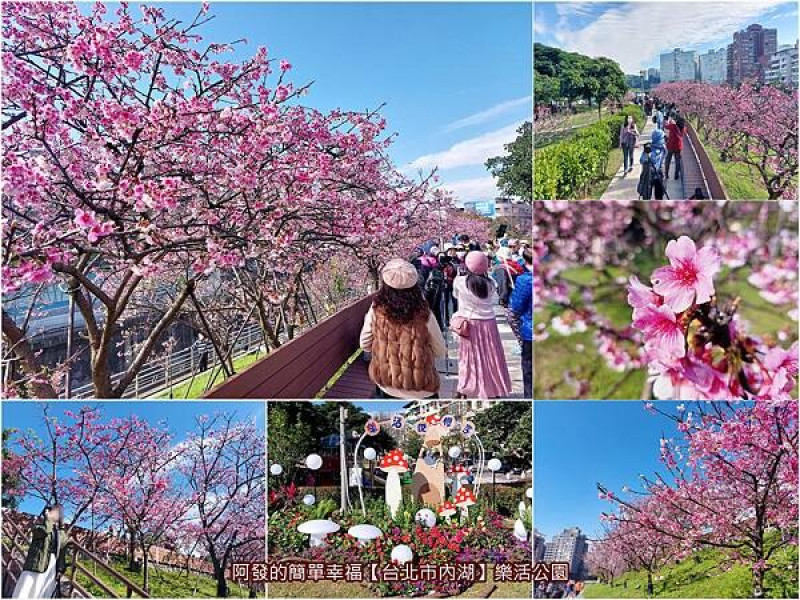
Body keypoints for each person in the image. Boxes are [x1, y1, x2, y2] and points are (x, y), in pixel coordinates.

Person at [360, 258, 446, 399]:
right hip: (421, 387)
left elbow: (364, 344)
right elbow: (440, 350)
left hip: (387, 384)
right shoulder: (424, 313)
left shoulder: (377, 310)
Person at [452, 251, 512, 399]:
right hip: (489, 324)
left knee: (469, 358)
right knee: (492, 358)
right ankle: (494, 388)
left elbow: (455, 296)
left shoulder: (460, 282)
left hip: (470, 325)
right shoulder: (491, 282)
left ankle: (466, 387)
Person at [13, 504, 69, 599]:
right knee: (27, 589)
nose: (58, 515)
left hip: (51, 564)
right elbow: (45, 531)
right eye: (56, 511)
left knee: (42, 591)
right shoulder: (39, 527)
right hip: (36, 563)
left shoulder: (59, 532)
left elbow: (63, 545)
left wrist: (62, 526)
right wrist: (48, 518)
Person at [510, 249, 533, 398]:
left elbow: (516, 307)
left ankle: (530, 396)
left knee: (529, 368)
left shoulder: (524, 280)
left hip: (530, 332)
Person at [638, 129, 667, 199]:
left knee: (659, 196)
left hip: (659, 176)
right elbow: (641, 161)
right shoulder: (649, 148)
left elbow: (663, 159)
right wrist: (646, 153)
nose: (664, 139)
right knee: (646, 197)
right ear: (658, 138)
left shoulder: (663, 148)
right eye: (662, 138)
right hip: (648, 176)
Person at [664, 114, 686, 180]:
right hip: (678, 147)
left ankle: (666, 174)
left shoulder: (673, 126)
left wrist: (668, 121)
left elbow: (666, 126)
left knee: (668, 160)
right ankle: (676, 175)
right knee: (677, 161)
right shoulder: (684, 128)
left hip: (671, 146)